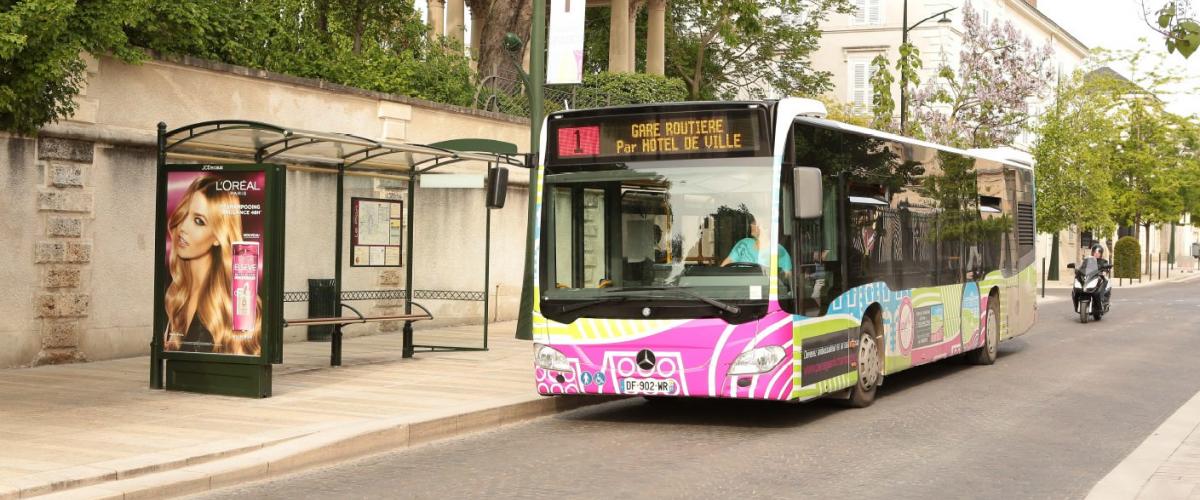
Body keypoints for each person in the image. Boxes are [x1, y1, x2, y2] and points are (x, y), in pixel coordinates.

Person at [163, 175, 261, 355]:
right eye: (185, 214)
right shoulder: (175, 295)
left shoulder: (234, 301)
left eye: (199, 221)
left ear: (218, 237)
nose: (183, 227)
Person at [720, 216, 792, 273]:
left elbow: (786, 280)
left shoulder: (780, 251)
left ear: (766, 227)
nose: (751, 225)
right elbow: (723, 268)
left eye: (755, 223)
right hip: (739, 288)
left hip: (765, 290)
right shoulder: (744, 244)